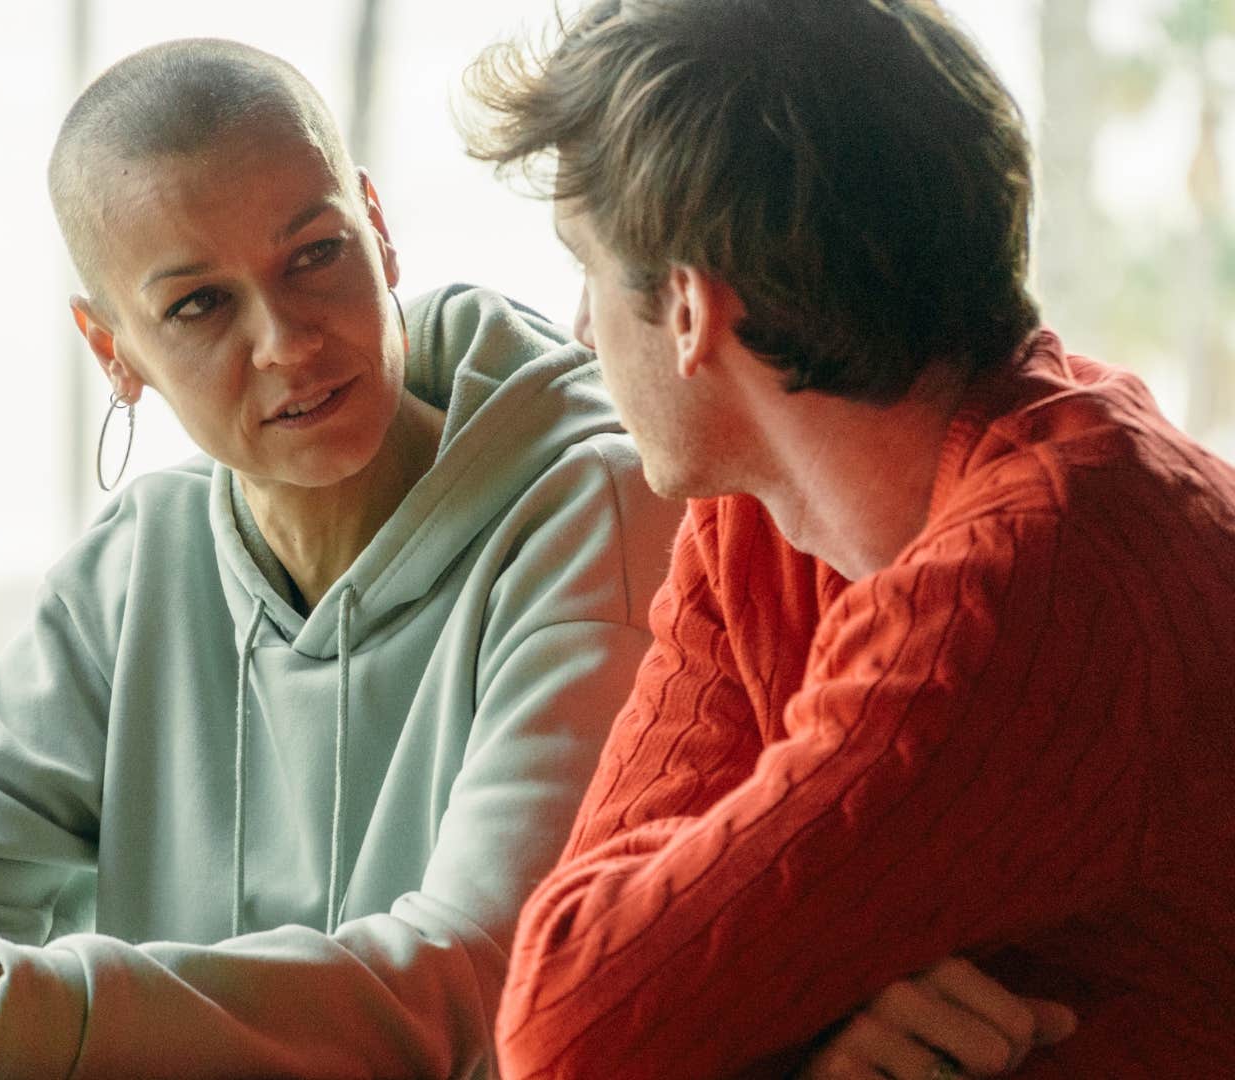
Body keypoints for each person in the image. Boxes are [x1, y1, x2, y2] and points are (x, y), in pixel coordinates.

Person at [0, 38, 1058, 1080]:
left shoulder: (602, 502)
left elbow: (480, 986)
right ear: (110, 349)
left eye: (315, 255)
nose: (288, 339)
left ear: (377, 227)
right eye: (197, 306)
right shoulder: (141, 564)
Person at [464, 1, 1235, 1077]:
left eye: (583, 266)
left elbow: (568, 1028)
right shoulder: (756, 513)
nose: (583, 329)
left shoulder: (1039, 577)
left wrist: (749, 1012)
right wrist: (803, 1037)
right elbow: (589, 968)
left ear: (690, 308)